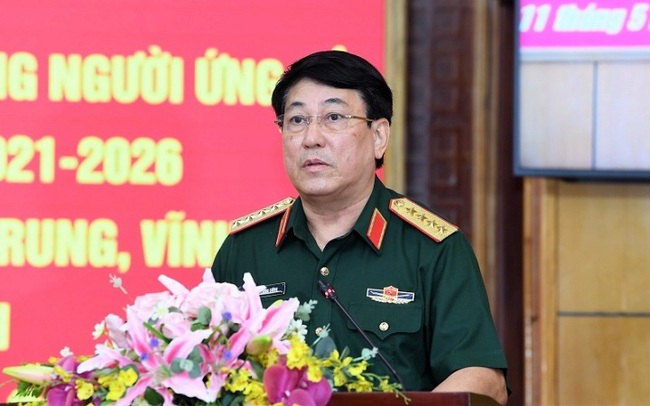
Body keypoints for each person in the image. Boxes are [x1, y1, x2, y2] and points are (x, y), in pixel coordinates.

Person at [211, 50, 509, 404]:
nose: (311, 138)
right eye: (296, 120)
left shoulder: (432, 248)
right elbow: (205, 368)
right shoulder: (245, 247)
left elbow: (482, 379)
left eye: (334, 117)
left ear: (379, 135)